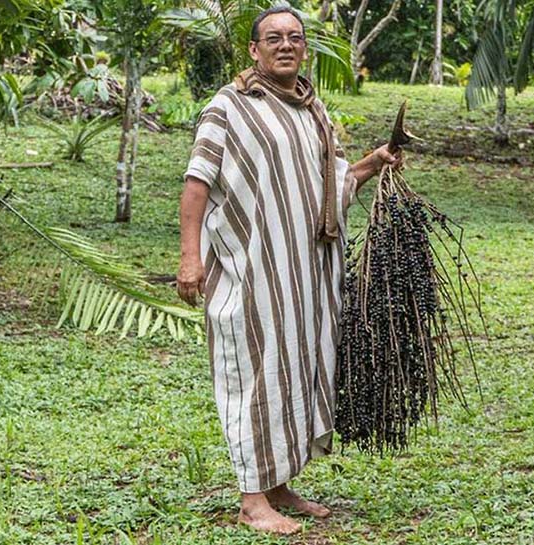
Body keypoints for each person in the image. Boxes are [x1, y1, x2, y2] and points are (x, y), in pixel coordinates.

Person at [176, 6, 401, 535]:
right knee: (255, 377)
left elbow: (332, 187)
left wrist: (370, 163)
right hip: (250, 274)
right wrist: (190, 259)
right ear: (253, 50)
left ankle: (278, 485)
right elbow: (196, 184)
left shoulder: (312, 110)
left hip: (304, 279)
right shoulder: (229, 108)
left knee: (292, 373)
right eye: (273, 38)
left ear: (305, 50)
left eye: (294, 38)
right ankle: (252, 500)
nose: (285, 45)